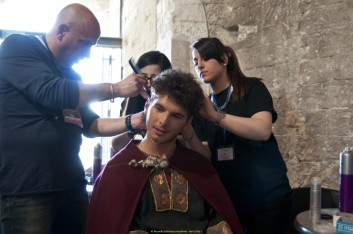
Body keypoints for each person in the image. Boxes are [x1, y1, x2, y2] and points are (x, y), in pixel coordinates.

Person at [0, 3, 147, 234]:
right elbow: (51, 91)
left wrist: (136, 120)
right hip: (27, 188)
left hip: (70, 186)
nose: (88, 54)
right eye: (85, 43)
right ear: (61, 31)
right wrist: (115, 88)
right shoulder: (18, 47)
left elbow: (91, 124)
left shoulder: (71, 75)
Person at [86, 69, 244, 234]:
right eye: (159, 109)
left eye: (176, 116)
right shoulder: (117, 169)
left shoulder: (198, 167)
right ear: (147, 107)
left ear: (187, 121)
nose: (163, 121)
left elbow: (219, 222)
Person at [190, 37, 292, 234]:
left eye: (205, 58)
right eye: (195, 62)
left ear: (224, 59)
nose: (199, 65)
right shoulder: (203, 106)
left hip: (267, 197)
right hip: (231, 200)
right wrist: (188, 133)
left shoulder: (252, 89)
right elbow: (205, 156)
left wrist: (215, 116)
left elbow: (262, 130)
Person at [112, 51, 172, 153]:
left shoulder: (174, 105)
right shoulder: (130, 100)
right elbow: (117, 144)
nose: (148, 84)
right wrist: (128, 99)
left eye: (154, 78)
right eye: (143, 77)